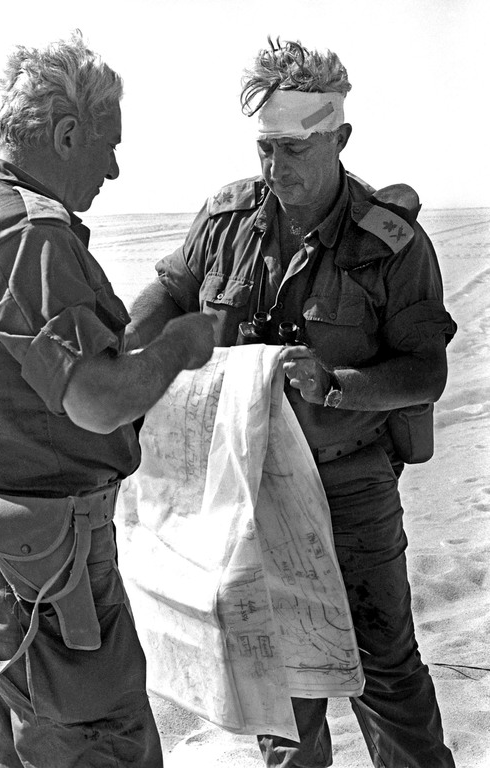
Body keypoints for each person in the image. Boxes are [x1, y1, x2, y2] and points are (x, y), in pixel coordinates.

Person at [128, 38, 457, 768]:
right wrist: (123, 344)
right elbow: (173, 292)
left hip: (349, 485)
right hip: (246, 486)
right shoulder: (227, 219)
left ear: (339, 137)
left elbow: (425, 370)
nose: (276, 170)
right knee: (279, 680)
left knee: (385, 671)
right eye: (265, 149)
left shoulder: (392, 244)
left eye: (294, 150)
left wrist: (338, 384)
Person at [0, 31, 215, 768]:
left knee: (32, 735)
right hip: (44, 562)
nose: (115, 167)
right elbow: (95, 402)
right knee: (101, 740)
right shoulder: (23, 236)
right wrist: (180, 347)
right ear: (68, 134)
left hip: (2, 548)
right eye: (108, 144)